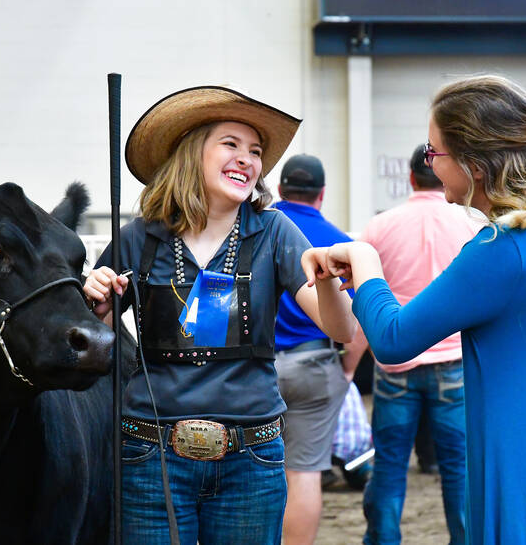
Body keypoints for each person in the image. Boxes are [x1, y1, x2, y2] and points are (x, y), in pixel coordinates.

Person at [302, 75, 526, 544]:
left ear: (473, 165)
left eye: (435, 152)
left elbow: (394, 341)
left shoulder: (504, 247)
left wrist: (364, 259)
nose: (431, 164)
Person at [83, 86, 356, 545]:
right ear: (193, 154)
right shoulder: (137, 239)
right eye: (231, 144)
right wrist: (100, 307)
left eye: (255, 152)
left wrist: (328, 279)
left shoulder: (274, 231)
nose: (247, 159)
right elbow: (94, 344)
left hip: (250, 460)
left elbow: (342, 327)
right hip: (151, 457)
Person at [358, 144, 481, 545]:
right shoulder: (473, 225)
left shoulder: (379, 227)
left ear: (411, 177)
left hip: (396, 364)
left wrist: (350, 365)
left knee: (390, 466)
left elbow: (367, 302)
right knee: (459, 469)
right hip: (453, 363)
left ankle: (383, 538)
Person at [272, 154, 364, 544]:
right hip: (314, 364)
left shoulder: (261, 228)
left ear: (279, 189)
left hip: (254, 370)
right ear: (322, 194)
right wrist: (348, 371)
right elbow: (357, 325)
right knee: (305, 470)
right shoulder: (341, 243)